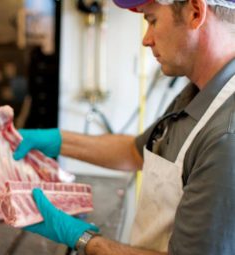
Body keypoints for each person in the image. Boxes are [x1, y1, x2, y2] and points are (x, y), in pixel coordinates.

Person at [13, 0, 235, 253]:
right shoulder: (197, 93)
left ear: (195, 12)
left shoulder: (226, 136)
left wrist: (82, 239)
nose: (146, 39)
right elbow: (133, 152)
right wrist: (53, 139)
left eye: (152, 20)